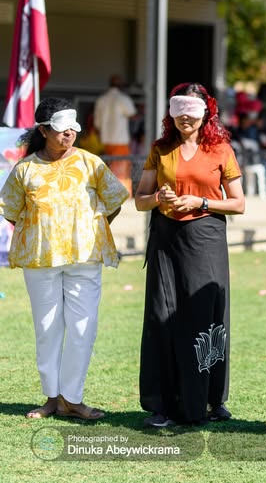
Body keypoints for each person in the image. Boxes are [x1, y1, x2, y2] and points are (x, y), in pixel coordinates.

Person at [0, 97, 129, 420]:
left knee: (84, 328)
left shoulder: (91, 163)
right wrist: (43, 232)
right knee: (47, 329)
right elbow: (11, 211)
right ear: (43, 130)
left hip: (85, 258)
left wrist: (89, 229)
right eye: (61, 128)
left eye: (73, 127)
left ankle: (73, 398)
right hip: (40, 260)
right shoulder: (25, 168)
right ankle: (52, 398)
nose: (69, 133)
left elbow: (114, 200)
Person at [134, 82, 245, 428]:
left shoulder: (221, 150)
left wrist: (202, 202)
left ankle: (211, 399)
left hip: (206, 237)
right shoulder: (160, 148)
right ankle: (163, 404)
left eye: (192, 110)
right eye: (179, 109)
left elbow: (239, 203)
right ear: (171, 112)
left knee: (205, 315)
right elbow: (140, 198)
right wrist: (159, 199)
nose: (185, 116)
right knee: (162, 316)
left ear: (206, 112)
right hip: (166, 239)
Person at [93, 75, 137, 195]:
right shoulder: (123, 98)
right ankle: (121, 196)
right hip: (120, 140)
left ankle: (109, 194)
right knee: (121, 171)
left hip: (106, 140)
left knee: (109, 169)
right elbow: (132, 113)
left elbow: (97, 123)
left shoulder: (102, 99)